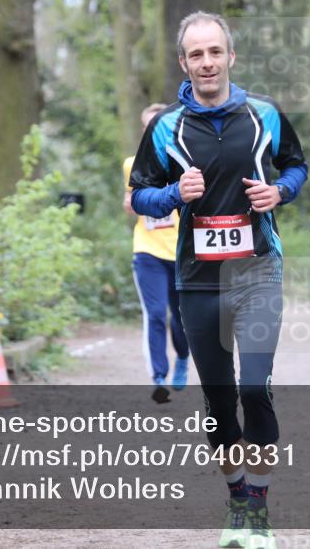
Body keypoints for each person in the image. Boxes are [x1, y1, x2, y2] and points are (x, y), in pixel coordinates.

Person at [128, 11, 307, 549]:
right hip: (198, 280)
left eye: (214, 52)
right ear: (184, 63)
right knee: (218, 400)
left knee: (255, 388)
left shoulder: (264, 115)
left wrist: (280, 192)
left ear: (231, 56)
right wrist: (172, 194)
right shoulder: (166, 127)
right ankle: (237, 501)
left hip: (257, 271)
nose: (207, 62)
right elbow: (139, 194)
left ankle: (259, 510)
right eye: (196, 54)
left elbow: (296, 166)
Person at [123, 104, 190, 404]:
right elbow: (130, 200)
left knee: (181, 318)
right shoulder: (132, 164)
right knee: (155, 314)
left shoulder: (184, 162)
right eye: (146, 125)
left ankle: (183, 357)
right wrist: (132, 203)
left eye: (156, 125)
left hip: (181, 251)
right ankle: (159, 378)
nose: (151, 130)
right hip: (147, 250)